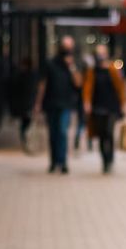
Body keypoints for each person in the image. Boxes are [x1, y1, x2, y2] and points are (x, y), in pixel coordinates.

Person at [34, 36, 82, 174]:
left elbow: (78, 83)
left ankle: (63, 162)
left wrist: (71, 66)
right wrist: (38, 103)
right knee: (53, 133)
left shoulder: (73, 64)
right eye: (65, 46)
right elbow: (43, 84)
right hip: (50, 103)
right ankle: (54, 161)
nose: (67, 50)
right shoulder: (50, 63)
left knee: (62, 132)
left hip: (65, 104)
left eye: (69, 47)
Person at [82, 43, 126, 173]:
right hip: (98, 106)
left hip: (111, 106)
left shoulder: (113, 69)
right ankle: (105, 161)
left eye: (102, 53)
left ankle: (111, 158)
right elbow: (87, 88)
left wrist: (123, 105)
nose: (100, 56)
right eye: (98, 53)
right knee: (101, 134)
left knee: (109, 132)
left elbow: (120, 88)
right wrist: (87, 103)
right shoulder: (92, 71)